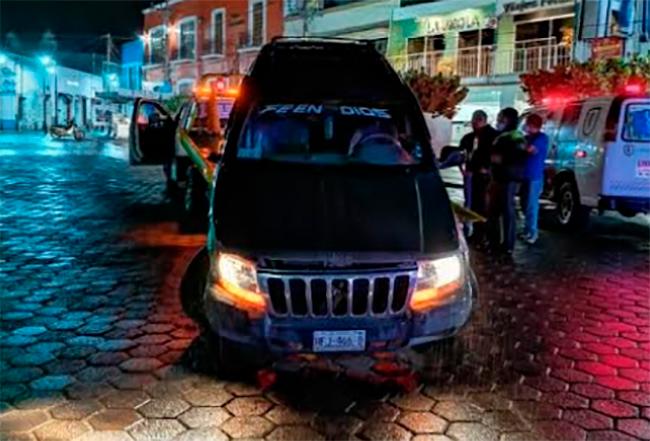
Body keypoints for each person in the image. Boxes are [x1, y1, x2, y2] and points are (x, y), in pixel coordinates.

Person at [488, 107, 527, 255]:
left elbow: (519, 156)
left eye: (501, 117)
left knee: (507, 212)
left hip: (508, 179)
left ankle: (507, 245)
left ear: (508, 119)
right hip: (497, 178)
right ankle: (494, 242)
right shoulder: (502, 136)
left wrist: (502, 159)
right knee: (493, 212)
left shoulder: (516, 137)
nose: (498, 120)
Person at [459, 110, 498, 241]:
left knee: (482, 205)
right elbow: (461, 154)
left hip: (484, 176)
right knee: (471, 203)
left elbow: (495, 156)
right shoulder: (469, 137)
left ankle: (481, 234)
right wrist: (463, 169)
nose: (474, 123)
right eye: (473, 121)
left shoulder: (493, 136)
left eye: (476, 121)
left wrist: (487, 169)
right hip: (471, 174)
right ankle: (473, 231)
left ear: (482, 120)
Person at [520, 114, 549, 244]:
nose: (525, 126)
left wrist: (521, 145)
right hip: (525, 175)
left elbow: (531, 150)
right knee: (525, 204)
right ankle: (527, 230)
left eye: (527, 124)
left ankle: (532, 232)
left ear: (532, 125)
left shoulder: (541, 138)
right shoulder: (527, 137)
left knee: (531, 205)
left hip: (534, 176)